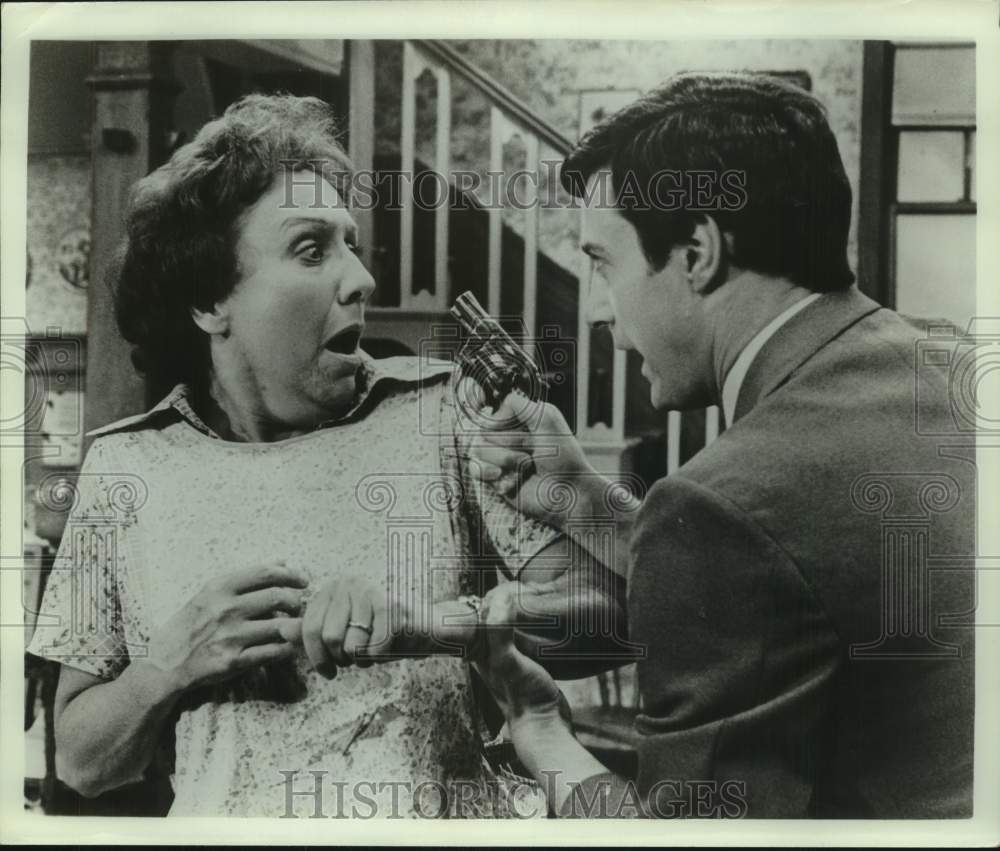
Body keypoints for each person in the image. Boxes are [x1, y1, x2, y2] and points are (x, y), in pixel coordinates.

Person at [26, 94, 624, 818]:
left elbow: (613, 619)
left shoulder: (445, 414)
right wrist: (169, 665)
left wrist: (431, 623)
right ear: (210, 301)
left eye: (351, 244)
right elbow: (82, 760)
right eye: (312, 248)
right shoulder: (126, 467)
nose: (361, 279)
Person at [465, 72, 975, 818]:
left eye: (603, 263)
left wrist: (541, 730)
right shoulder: (951, 368)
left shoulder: (719, 504)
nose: (604, 311)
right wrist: (580, 498)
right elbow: (788, 574)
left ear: (697, 252)